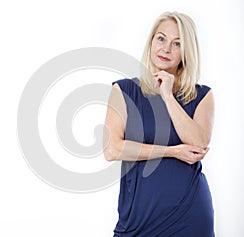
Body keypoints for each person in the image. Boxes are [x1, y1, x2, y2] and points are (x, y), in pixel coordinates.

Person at [103, 11, 215, 236]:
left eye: (177, 43)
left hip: (189, 213)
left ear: (186, 52)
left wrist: (168, 96)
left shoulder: (201, 95)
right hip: (137, 218)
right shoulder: (124, 91)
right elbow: (112, 149)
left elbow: (198, 143)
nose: (166, 48)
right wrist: (172, 151)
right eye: (161, 38)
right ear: (151, 41)